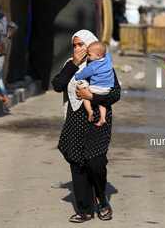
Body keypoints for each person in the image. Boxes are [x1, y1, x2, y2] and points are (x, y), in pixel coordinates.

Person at [51, 29, 121, 223]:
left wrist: (93, 97)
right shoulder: (70, 65)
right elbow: (57, 85)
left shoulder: (102, 62)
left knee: (95, 162)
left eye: (81, 44)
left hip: (99, 118)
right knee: (77, 163)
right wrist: (73, 64)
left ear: (91, 43)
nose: (78, 49)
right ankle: (84, 209)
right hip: (75, 119)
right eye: (74, 45)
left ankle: (101, 198)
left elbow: (115, 94)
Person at [75, 41, 114, 126]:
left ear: (98, 56)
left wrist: (76, 75)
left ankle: (89, 111)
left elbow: (82, 75)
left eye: (89, 55)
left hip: (96, 88)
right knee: (102, 104)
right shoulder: (108, 58)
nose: (88, 56)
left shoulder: (93, 66)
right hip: (107, 88)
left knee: (85, 95)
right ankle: (102, 118)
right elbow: (107, 54)